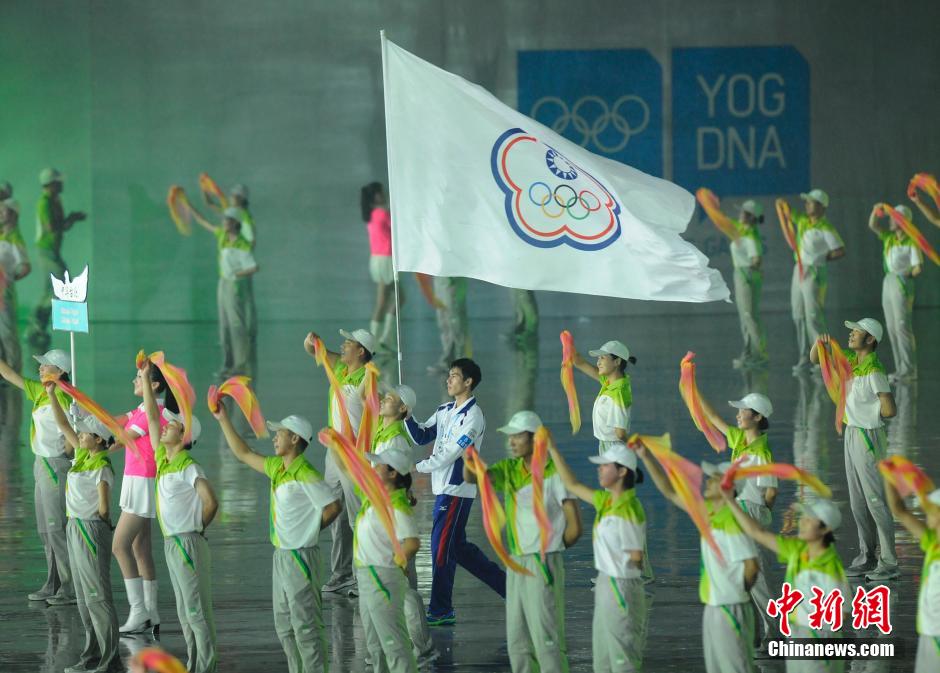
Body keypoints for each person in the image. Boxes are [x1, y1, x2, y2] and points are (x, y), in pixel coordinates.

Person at [213, 407, 341, 673]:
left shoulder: (305, 472)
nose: (274, 437)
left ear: (294, 438)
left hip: (301, 557)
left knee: (305, 625)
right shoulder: (277, 467)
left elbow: (333, 507)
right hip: (281, 555)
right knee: (284, 626)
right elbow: (243, 453)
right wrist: (223, 418)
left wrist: (308, 531)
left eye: (279, 433)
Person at [464, 410, 581, 673]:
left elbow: (575, 527)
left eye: (517, 436)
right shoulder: (510, 469)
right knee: (518, 642)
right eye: (510, 436)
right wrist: (469, 461)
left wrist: (551, 550)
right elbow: (475, 478)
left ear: (535, 438)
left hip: (543, 563)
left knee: (546, 638)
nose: (511, 441)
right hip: (516, 563)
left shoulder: (554, 473)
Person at [635, 444, 759, 673]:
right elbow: (670, 492)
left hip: (730, 607)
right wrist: (645, 456)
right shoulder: (708, 513)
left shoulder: (732, 521)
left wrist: (733, 593)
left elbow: (752, 566)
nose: (708, 482)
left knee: (735, 667)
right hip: (713, 606)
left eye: (714, 479)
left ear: (728, 487)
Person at [405, 357, 506, 625]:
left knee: (441, 549)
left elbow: (450, 454)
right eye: (448, 375)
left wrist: (415, 468)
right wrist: (407, 416)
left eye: (454, 376)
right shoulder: (445, 410)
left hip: (457, 490)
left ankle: (441, 610)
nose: (448, 380)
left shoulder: (474, 417)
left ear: (468, 382)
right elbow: (422, 435)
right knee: (459, 549)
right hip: (443, 489)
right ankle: (512, 589)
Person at [143, 360, 218, 673]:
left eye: (171, 425)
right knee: (185, 612)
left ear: (185, 435)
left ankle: (207, 666)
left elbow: (210, 501)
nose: (164, 427)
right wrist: (145, 378)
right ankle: (193, 663)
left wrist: (196, 528)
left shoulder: (189, 466)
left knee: (196, 611)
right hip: (172, 543)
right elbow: (151, 416)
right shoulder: (164, 458)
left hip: (187, 542)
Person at [548, 441, 647, 673]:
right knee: (602, 661)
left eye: (605, 465)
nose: (599, 469)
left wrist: (623, 585)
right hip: (605, 582)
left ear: (622, 472)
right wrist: (552, 449)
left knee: (622, 660)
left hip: (621, 585)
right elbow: (572, 484)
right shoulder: (606, 501)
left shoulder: (629, 509)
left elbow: (636, 557)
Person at [721, 492, 848, 673]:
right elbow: (757, 533)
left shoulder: (831, 567)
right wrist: (730, 501)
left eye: (809, 520)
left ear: (824, 529)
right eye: (803, 518)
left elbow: (843, 612)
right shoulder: (798, 549)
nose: (802, 522)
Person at [811, 318, 897, 581]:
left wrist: (868, 414)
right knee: (858, 501)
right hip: (851, 433)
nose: (850, 334)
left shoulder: (874, 371)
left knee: (875, 500)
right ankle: (866, 556)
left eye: (856, 332)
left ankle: (889, 562)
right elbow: (816, 359)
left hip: (868, 436)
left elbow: (890, 410)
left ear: (870, 339)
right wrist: (819, 343)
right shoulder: (849, 361)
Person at [46, 383, 121, 673]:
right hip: (74, 527)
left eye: (85, 433)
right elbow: (63, 425)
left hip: (90, 529)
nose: (79, 436)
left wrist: (99, 525)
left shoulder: (101, 466)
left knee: (97, 596)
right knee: (83, 597)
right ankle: (91, 655)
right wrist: (52, 395)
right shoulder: (81, 456)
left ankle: (109, 659)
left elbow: (104, 508)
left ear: (99, 440)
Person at [331, 444, 421, 673]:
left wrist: (395, 564)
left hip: (383, 578)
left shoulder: (396, 505)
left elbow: (412, 542)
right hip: (366, 577)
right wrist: (334, 446)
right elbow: (347, 471)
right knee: (374, 646)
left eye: (378, 465)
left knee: (394, 644)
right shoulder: (374, 496)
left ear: (392, 473)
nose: (373, 468)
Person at [697, 391, 778, 647]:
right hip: (738, 510)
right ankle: (754, 632)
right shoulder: (741, 440)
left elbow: (771, 491)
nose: (738, 415)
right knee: (741, 574)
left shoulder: (761, 452)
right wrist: (691, 386)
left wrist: (759, 517)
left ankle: (775, 631)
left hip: (750, 511)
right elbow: (713, 417)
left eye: (743, 411)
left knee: (758, 578)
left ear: (757, 417)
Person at [303, 327, 378, 596]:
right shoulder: (340, 369)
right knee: (335, 511)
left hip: (355, 454)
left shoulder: (369, 378)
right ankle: (342, 574)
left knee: (357, 517)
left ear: (361, 351)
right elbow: (314, 350)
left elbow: (378, 414)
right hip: (333, 452)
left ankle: (362, 576)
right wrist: (311, 340)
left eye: (349, 343)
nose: (343, 346)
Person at [0, 348, 74, 604]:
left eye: (46, 365)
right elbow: (9, 375)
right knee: (45, 530)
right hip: (40, 463)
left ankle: (69, 586)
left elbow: (71, 440)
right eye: (41, 365)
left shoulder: (66, 398)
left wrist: (63, 457)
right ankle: (53, 582)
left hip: (55, 465)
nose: (41, 368)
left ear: (61, 371)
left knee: (56, 528)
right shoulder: (41, 391)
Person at [372, 384, 438, 666]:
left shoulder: (396, 440)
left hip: (393, 517)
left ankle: (423, 647)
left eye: (390, 399)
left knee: (404, 588)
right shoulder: (382, 430)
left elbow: (398, 480)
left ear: (402, 410)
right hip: (382, 514)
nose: (383, 400)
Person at [114, 360, 178, 636]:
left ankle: (138, 610)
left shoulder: (156, 412)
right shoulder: (141, 410)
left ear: (154, 385)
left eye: (139, 377)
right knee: (140, 548)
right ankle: (151, 611)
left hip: (142, 482)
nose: (134, 381)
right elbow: (116, 421)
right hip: (137, 480)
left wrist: (95, 436)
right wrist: (84, 414)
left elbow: (120, 439)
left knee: (119, 546)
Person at [883, 481, 940, 673]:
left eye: (931, 510)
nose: (926, 513)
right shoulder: (933, 543)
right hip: (928, 632)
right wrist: (889, 478)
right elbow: (899, 511)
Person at [194, 207, 258, 380]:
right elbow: (203, 222)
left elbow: (253, 267)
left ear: (235, 223)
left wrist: (237, 273)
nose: (224, 222)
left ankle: (241, 365)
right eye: (224, 219)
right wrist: (188, 206)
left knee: (236, 325)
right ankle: (228, 364)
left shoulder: (242, 244)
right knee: (225, 326)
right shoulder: (222, 236)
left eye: (227, 220)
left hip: (234, 285)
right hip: (222, 283)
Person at [26, 168, 87, 350]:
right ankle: (36, 323)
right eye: (58, 182)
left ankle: (36, 327)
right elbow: (52, 227)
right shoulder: (44, 203)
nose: (61, 184)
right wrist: (70, 219)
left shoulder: (54, 201)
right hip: (46, 251)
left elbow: (61, 226)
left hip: (52, 251)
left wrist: (71, 219)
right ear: (51, 184)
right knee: (60, 287)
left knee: (51, 290)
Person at [789, 189, 845, 372]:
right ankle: (805, 357)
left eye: (811, 202)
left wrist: (821, 258)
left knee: (813, 317)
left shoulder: (825, 227)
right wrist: (781, 204)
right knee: (798, 315)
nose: (806, 205)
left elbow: (839, 250)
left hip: (814, 271)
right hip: (799, 269)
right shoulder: (803, 220)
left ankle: (823, 359)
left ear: (821, 206)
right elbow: (788, 212)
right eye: (806, 202)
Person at [868, 203, 922, 382]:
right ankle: (900, 370)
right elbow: (873, 225)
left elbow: (918, 267)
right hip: (888, 281)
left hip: (902, 282)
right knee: (892, 328)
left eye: (895, 218)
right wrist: (876, 210)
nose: (891, 221)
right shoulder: (889, 237)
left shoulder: (911, 241)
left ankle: (910, 370)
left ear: (904, 221)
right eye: (891, 217)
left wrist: (907, 274)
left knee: (902, 327)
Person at [571, 339, 636, 453]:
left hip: (614, 447)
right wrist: (568, 345)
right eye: (598, 358)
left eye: (602, 358)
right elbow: (580, 363)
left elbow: (620, 433)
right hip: (609, 444)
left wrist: (634, 447)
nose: (598, 363)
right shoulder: (610, 382)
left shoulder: (618, 392)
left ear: (617, 361)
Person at [362, 182, 398, 352]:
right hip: (385, 259)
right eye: (380, 192)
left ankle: (383, 340)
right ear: (374, 196)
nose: (383, 194)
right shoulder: (382, 214)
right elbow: (396, 228)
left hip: (378, 259)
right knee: (383, 301)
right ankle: (375, 343)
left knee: (396, 299)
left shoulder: (372, 214)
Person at [0, 198, 31, 373]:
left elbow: (25, 267)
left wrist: (8, 281)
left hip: (4, 293)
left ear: (14, 214)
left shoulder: (15, 238)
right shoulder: (2, 235)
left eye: (4, 210)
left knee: (7, 333)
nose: (0, 213)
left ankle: (14, 371)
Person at [428, 277, 469, 373]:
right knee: (444, 320)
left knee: (455, 319)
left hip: (452, 277)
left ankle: (461, 362)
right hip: (439, 277)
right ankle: (448, 360)